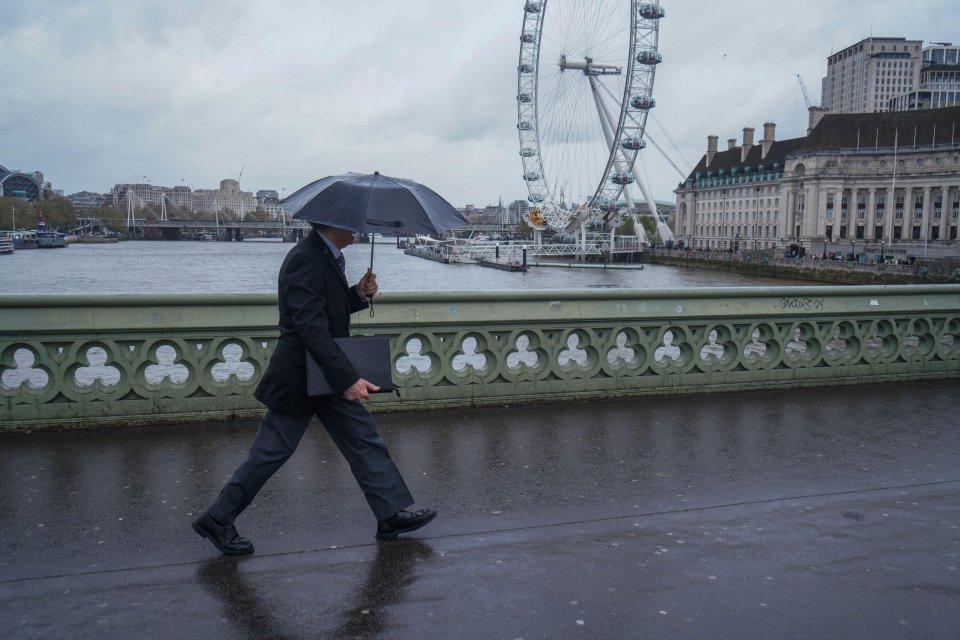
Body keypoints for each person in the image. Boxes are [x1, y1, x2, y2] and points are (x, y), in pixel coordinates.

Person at [192, 223, 436, 555]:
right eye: (352, 224)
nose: (358, 229)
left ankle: (390, 514)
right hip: (302, 377)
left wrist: (356, 294)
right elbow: (310, 327)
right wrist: (347, 379)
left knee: (363, 438)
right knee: (271, 451)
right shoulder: (305, 259)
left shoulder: (325, 257)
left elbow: (325, 311)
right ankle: (218, 517)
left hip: (324, 374)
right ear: (333, 225)